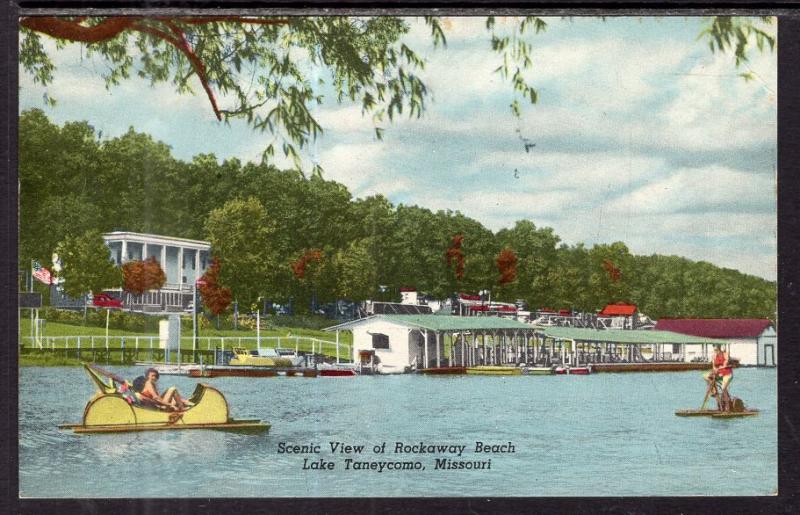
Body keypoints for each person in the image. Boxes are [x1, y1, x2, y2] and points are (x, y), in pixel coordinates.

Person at [705, 345, 733, 410]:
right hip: (719, 373)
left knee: (723, 388)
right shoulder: (714, 356)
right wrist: (715, 370)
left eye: (716, 350)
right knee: (707, 377)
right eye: (714, 350)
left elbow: (725, 364)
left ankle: (727, 407)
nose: (715, 352)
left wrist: (720, 367)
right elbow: (714, 367)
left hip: (727, 374)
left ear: (720, 349)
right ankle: (714, 393)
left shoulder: (725, 354)